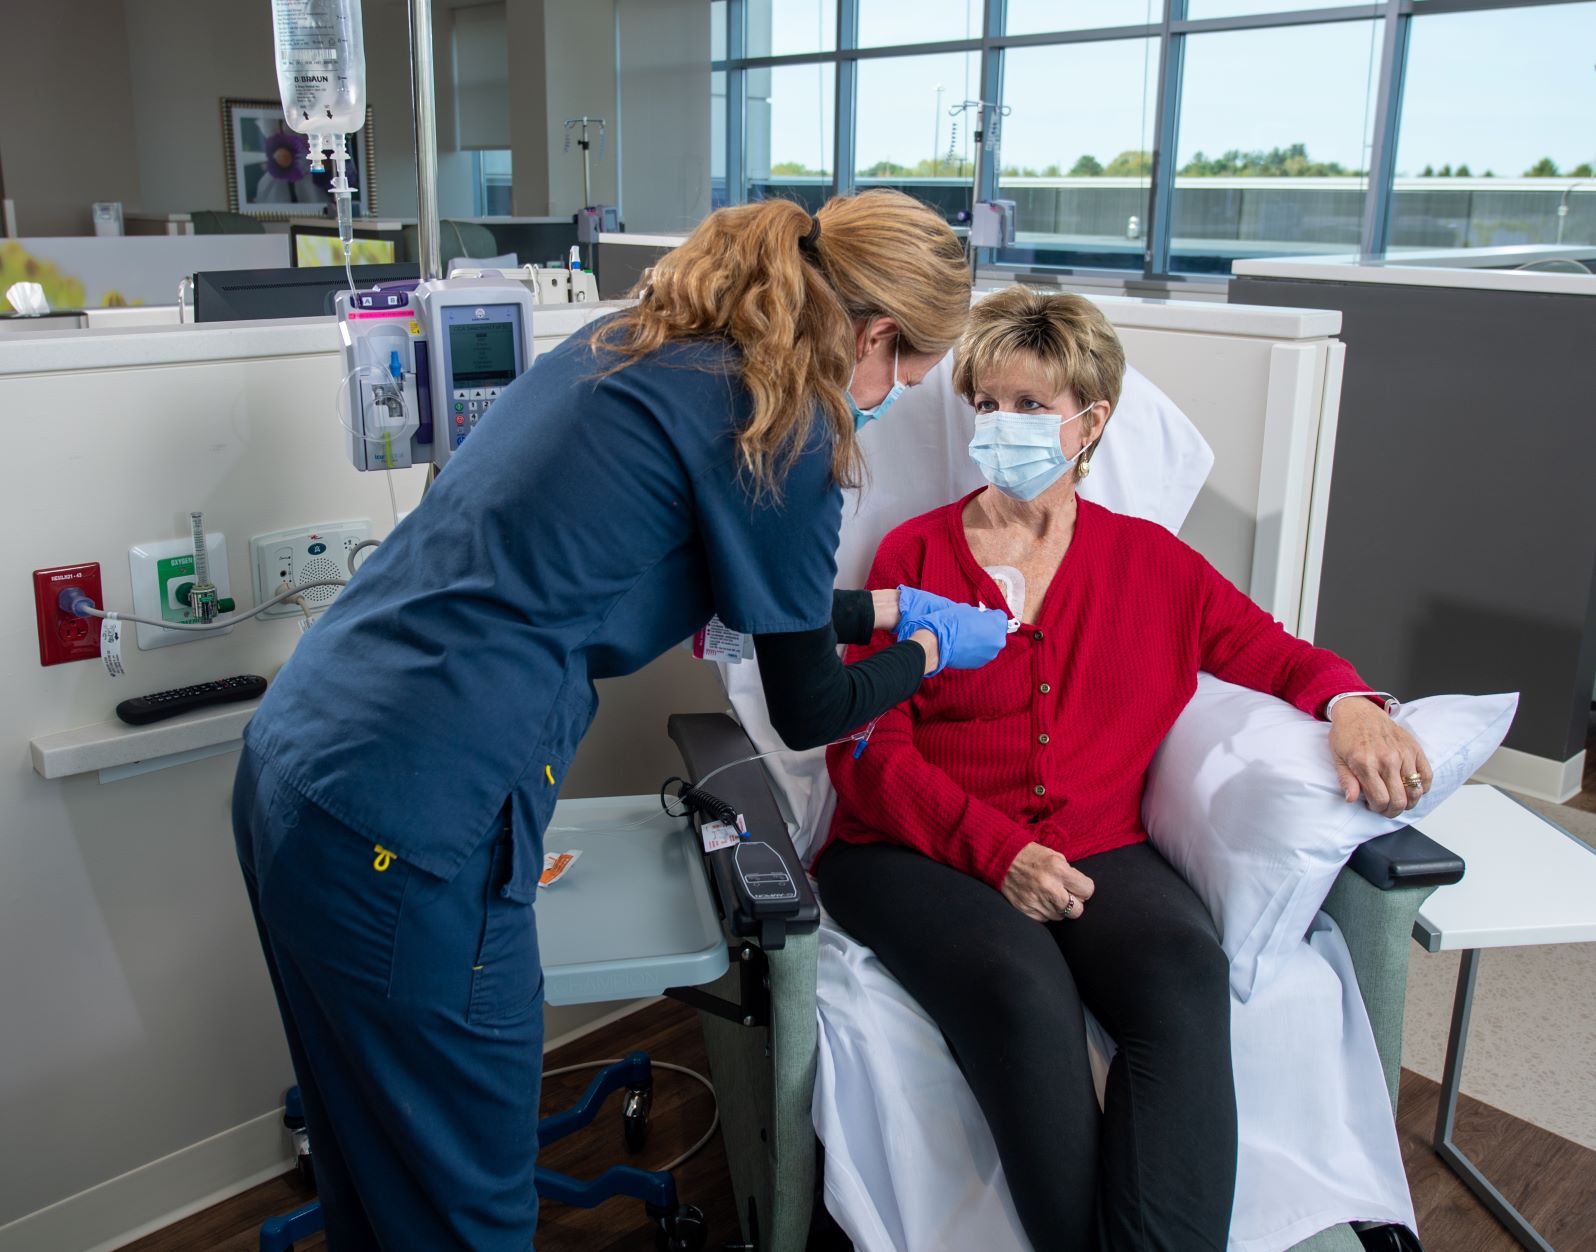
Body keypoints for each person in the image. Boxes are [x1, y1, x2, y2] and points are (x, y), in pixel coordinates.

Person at [231, 189, 1008, 1249]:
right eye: (903, 381)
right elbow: (809, 701)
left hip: (297, 763)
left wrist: (879, 607)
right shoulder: (788, 424)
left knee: (372, 1167)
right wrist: (924, 648)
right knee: (470, 1217)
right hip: (409, 819)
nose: (885, 403)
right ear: (873, 336)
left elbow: (732, 593)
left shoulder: (637, 342)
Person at [817, 286, 1431, 1252]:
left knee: (1186, 971)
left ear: (1091, 421)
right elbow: (865, 753)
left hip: (1100, 842)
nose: (999, 426)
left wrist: (1351, 704)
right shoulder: (917, 554)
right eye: (985, 404)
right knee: (1024, 993)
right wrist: (999, 854)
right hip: (913, 850)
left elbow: (1276, 654)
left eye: (1029, 406)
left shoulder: (1154, 565)